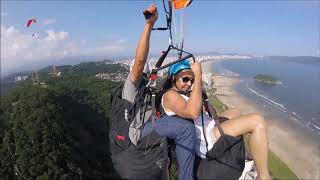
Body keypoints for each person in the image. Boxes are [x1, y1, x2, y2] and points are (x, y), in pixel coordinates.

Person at [161, 59, 272, 180]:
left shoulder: (182, 93)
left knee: (235, 112)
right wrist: (198, 76)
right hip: (206, 137)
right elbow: (192, 113)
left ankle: (251, 151)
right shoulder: (169, 95)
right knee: (258, 122)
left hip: (208, 126)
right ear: (173, 78)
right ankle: (263, 176)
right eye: (185, 79)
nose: (189, 84)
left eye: (191, 80)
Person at [122, 4, 196, 180]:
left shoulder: (146, 87)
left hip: (148, 127)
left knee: (180, 123)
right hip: (138, 133)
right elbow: (140, 61)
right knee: (185, 130)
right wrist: (149, 25)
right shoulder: (131, 87)